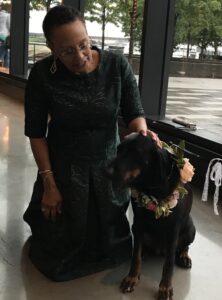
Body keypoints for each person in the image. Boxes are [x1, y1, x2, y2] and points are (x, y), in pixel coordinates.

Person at [23, 5, 160, 282]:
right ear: (51, 47)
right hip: (64, 170)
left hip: (109, 169)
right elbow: (36, 133)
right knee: (59, 251)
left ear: (88, 34)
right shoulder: (41, 75)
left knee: (111, 245)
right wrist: (49, 183)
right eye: (67, 51)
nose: (80, 56)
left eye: (83, 44)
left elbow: (135, 114)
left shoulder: (116, 65)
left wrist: (142, 136)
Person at [0, 4, 10, 68]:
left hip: (1, 38)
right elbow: (10, 27)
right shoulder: (7, 15)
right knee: (3, 57)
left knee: (6, 56)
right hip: (4, 38)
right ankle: (5, 72)